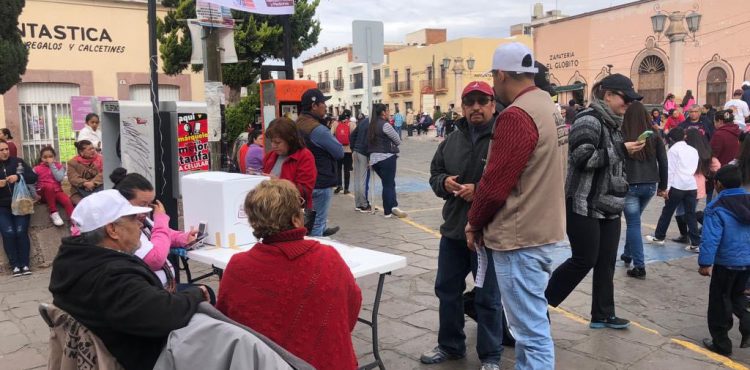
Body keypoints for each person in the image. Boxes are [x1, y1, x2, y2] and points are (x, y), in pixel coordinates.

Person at [465, 42, 568, 369]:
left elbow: (495, 185)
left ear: (502, 74)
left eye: (494, 79)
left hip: (519, 236)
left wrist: (474, 221)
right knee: (531, 326)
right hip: (542, 229)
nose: (494, 86)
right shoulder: (550, 107)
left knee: (530, 330)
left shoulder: (516, 116)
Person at [49, 189, 209, 370]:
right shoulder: (111, 276)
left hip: (110, 343)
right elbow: (162, 315)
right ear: (112, 230)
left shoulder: (71, 259)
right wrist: (198, 293)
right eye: (133, 220)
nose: (140, 226)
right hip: (136, 358)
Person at [216, 179, 361, 370]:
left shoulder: (238, 266)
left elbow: (227, 323)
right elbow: (352, 305)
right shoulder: (328, 257)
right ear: (295, 219)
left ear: (253, 222)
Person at [546, 74, 646, 330]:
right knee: (584, 259)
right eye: (625, 98)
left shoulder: (613, 122)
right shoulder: (589, 120)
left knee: (606, 261)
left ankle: (603, 314)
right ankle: (538, 304)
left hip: (609, 205)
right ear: (608, 94)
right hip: (583, 203)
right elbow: (582, 158)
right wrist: (622, 150)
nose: (628, 104)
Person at [423, 81, 505, 369]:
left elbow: (513, 180)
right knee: (446, 290)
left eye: (482, 101)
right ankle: (450, 345)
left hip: (487, 233)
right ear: (463, 107)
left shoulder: (503, 137)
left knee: (488, 297)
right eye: (470, 102)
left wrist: (479, 189)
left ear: (493, 105)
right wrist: (443, 183)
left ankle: (491, 356)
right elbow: (435, 175)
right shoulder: (451, 140)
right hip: (454, 231)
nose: (476, 107)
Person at [110, 169, 209, 299]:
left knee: (204, 293)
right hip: (151, 294)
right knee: (203, 295)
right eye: (142, 204)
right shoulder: (124, 228)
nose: (147, 209)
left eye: (149, 204)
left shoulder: (142, 219)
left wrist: (184, 238)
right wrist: (161, 219)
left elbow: (163, 234)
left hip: (164, 287)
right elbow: (155, 259)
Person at [697, 164, 750, 356]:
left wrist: (704, 263)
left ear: (718, 184)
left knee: (720, 300)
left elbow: (710, 238)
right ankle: (747, 322)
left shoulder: (716, 207)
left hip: (725, 262)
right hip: (747, 262)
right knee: (738, 296)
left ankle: (722, 343)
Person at [619, 101, 668, 279]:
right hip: (649, 184)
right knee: (635, 220)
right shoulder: (654, 135)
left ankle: (639, 266)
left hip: (630, 184)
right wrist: (663, 186)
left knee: (633, 223)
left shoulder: (622, 134)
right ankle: (628, 254)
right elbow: (663, 161)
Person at [296, 89, 344, 237]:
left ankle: (322, 229)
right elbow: (339, 151)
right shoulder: (317, 129)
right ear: (314, 106)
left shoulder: (296, 124)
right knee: (315, 223)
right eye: (323, 102)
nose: (325, 106)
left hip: (302, 180)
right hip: (320, 181)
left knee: (308, 220)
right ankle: (317, 246)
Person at [646, 127, 701, 250]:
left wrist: (666, 188)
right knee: (690, 214)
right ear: (684, 136)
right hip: (691, 185)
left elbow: (670, 170)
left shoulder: (673, 150)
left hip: (677, 185)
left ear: (670, 138)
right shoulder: (693, 150)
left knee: (667, 212)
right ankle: (695, 243)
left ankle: (659, 237)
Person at [0, 140, 37, 276]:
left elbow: (33, 177)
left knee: (21, 231)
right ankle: (15, 265)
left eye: (6, 149)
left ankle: (25, 265)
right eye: (1, 150)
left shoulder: (18, 162)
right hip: (2, 207)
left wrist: (18, 176)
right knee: (8, 233)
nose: (5, 152)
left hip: (20, 203)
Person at [263, 117, 316, 209]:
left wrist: (279, 182)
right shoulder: (271, 155)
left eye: (278, 142)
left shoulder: (305, 156)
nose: (273, 146)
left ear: (290, 140)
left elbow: (305, 191)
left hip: (292, 212)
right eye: (271, 141)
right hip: (271, 210)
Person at [368, 103, 407, 218]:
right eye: (387, 110)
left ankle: (393, 205)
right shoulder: (385, 125)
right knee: (388, 184)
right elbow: (398, 140)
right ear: (383, 112)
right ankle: (388, 211)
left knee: (389, 183)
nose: (389, 112)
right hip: (386, 157)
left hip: (374, 160)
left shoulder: (371, 125)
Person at [33, 146, 74, 227]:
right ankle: (53, 212)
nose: (48, 159)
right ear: (41, 158)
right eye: (45, 157)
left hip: (57, 191)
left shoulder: (59, 166)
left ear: (54, 157)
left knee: (67, 201)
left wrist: (52, 165)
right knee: (49, 186)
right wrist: (34, 195)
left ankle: (74, 223)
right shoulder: (36, 169)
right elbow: (32, 183)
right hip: (43, 193)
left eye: (50, 156)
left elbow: (59, 178)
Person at [67, 140, 103, 205]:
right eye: (90, 149)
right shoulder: (72, 163)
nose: (93, 150)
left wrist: (93, 183)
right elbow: (73, 178)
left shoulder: (101, 159)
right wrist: (85, 183)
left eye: (93, 148)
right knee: (83, 206)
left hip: (98, 188)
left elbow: (104, 173)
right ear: (81, 152)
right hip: (79, 191)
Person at [331, 111, 356, 194]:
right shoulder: (351, 124)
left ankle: (339, 185)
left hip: (338, 150)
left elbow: (331, 135)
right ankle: (346, 188)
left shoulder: (335, 123)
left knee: (338, 169)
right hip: (348, 150)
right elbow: (355, 135)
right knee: (347, 170)